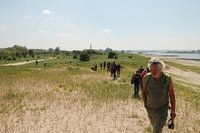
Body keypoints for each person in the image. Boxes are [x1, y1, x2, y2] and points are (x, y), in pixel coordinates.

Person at [142, 58, 176, 133]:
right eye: (151, 69)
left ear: (161, 69)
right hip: (150, 108)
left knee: (157, 129)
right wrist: (145, 103)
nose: (154, 72)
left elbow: (172, 95)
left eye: (156, 69)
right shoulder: (146, 77)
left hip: (163, 108)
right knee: (154, 126)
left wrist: (173, 110)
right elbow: (144, 92)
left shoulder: (167, 78)